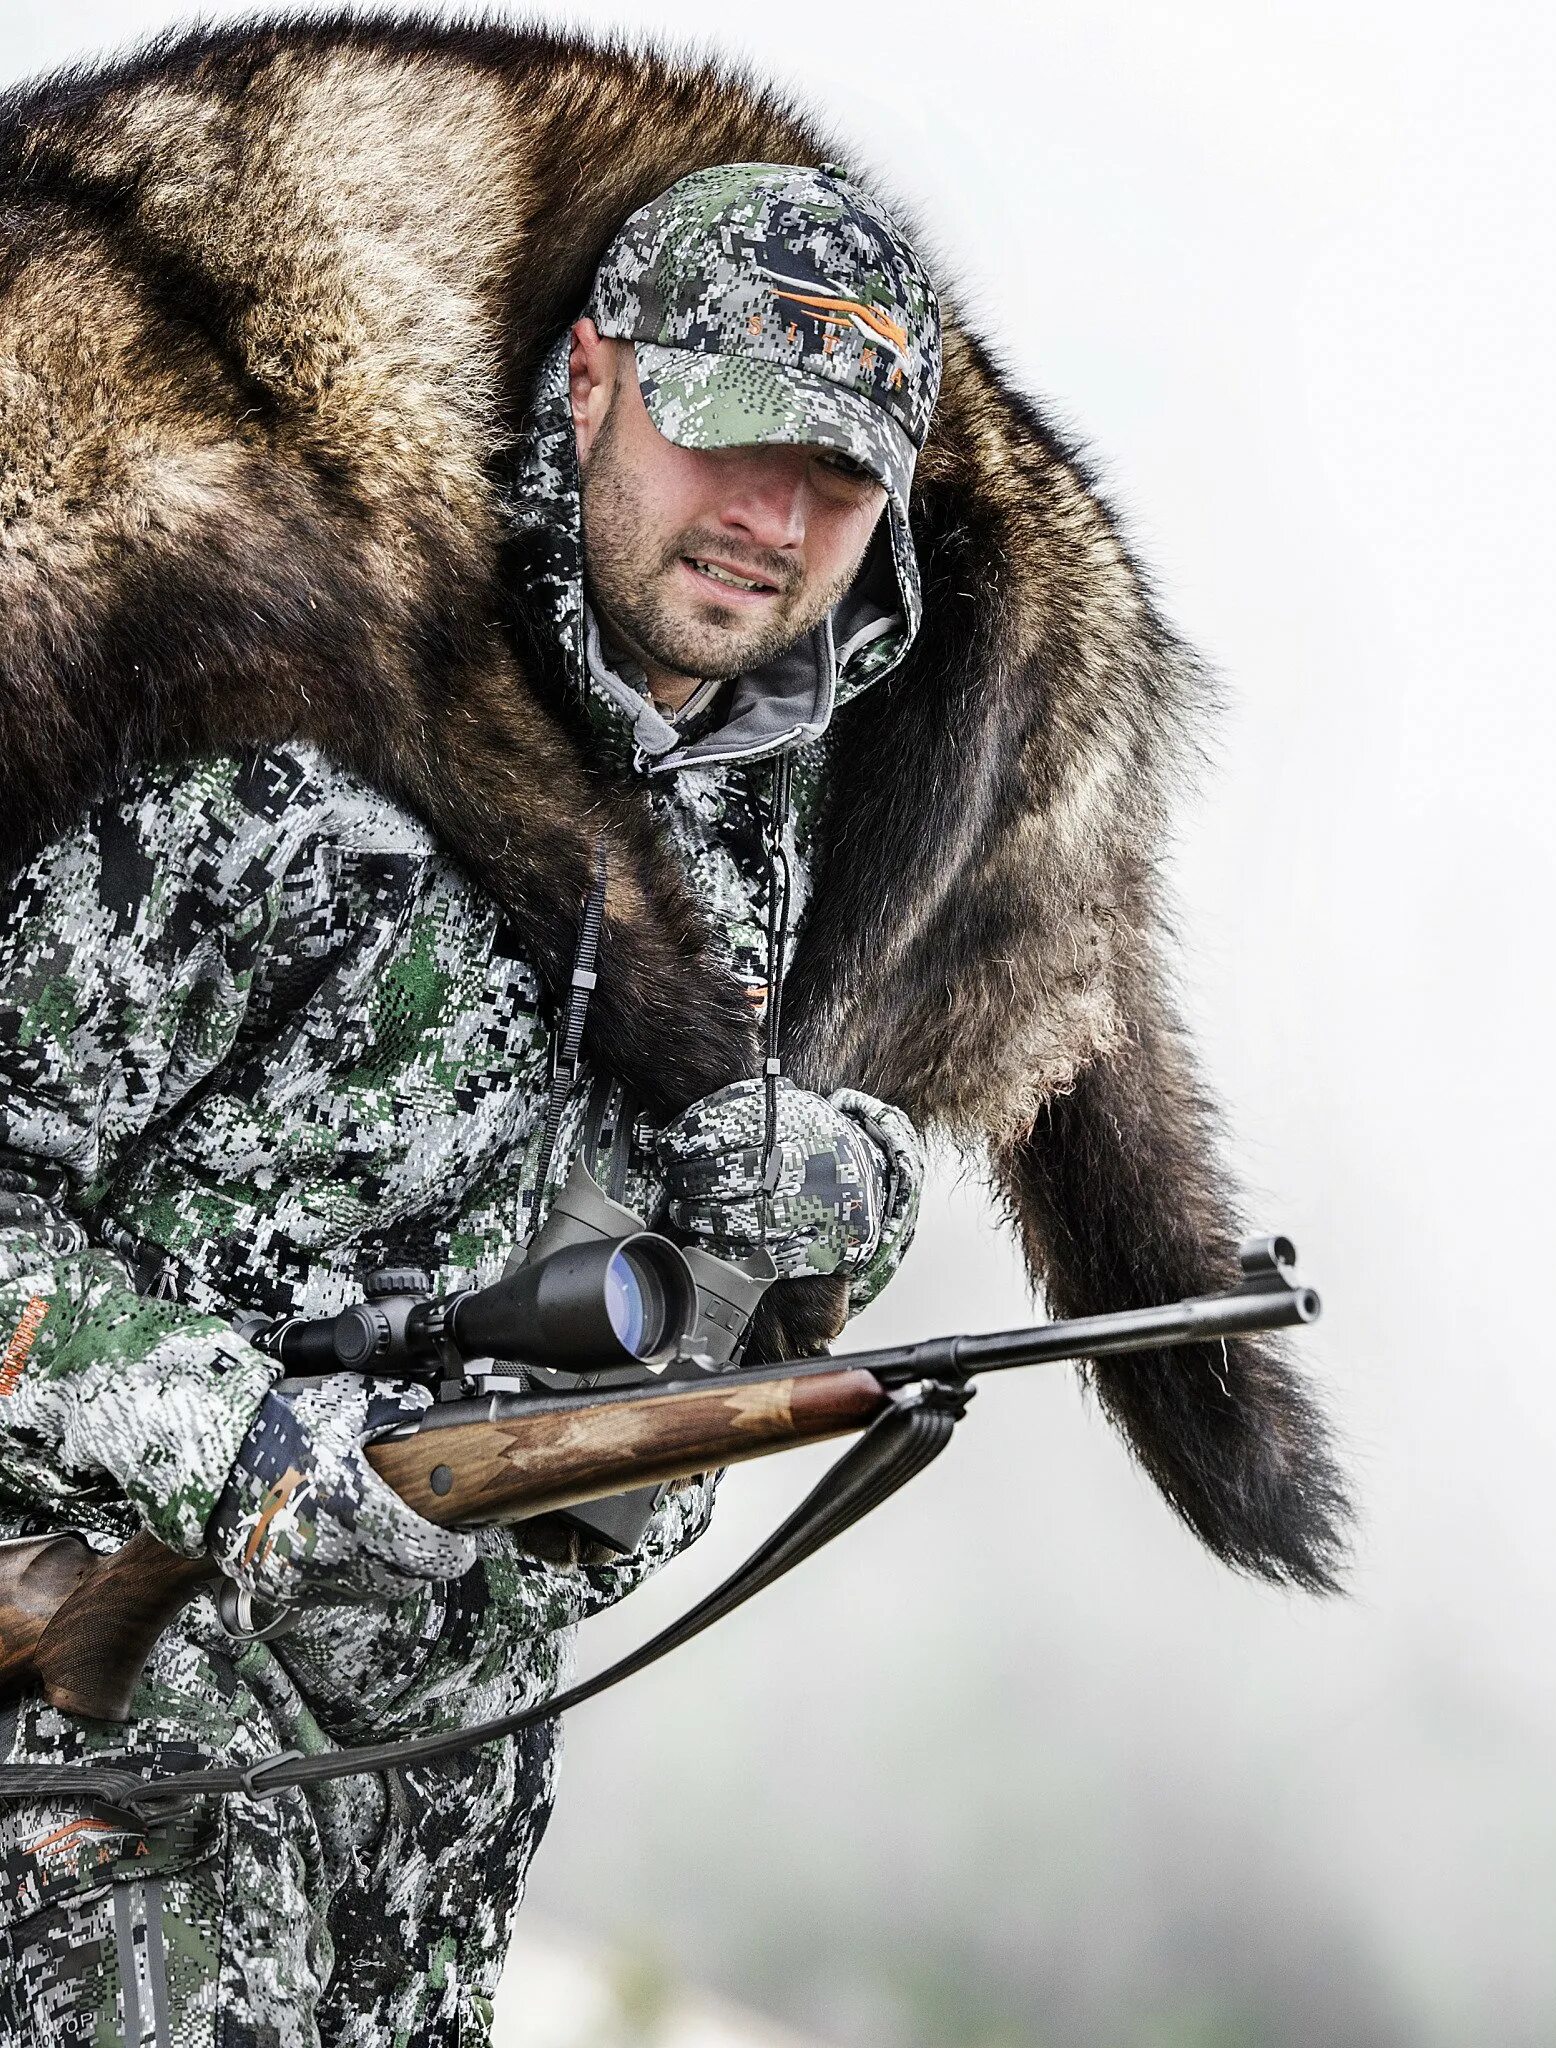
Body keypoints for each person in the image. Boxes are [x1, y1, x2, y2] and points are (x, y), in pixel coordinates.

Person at [0, 21, 1348, 2046]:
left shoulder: (808, 828)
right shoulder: (269, 734)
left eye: (833, 478)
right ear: (594, 380)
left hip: (422, 1837)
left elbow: (714, 1294)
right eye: (728, 435)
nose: (769, 522)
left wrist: (836, 1207)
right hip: (93, 1804)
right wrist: (252, 1453)